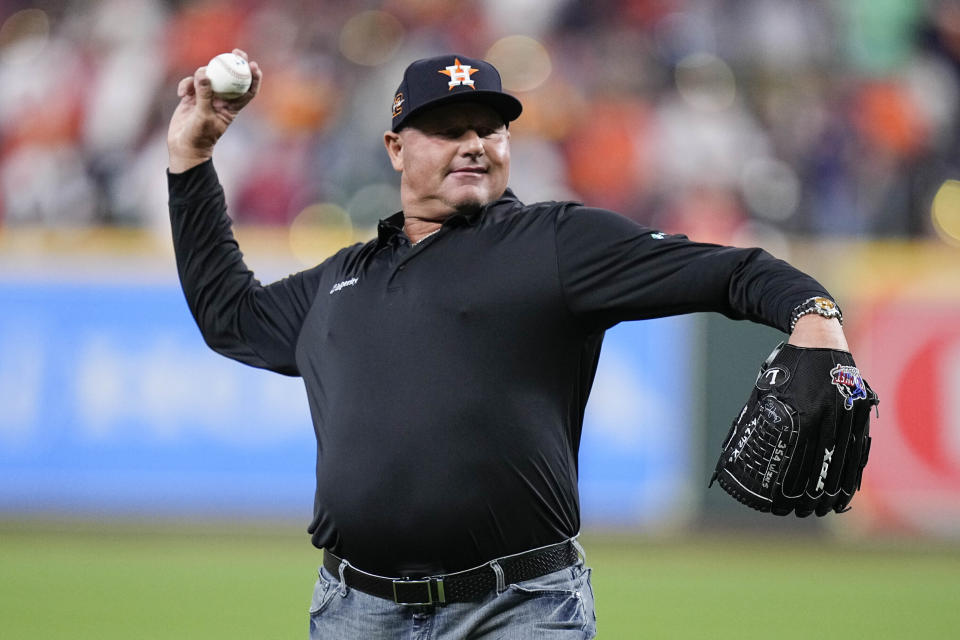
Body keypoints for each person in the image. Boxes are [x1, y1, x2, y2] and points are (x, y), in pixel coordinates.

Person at [167, 50, 850, 639]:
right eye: (445, 129)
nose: (474, 143)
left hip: (517, 608)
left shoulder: (555, 244)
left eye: (489, 128)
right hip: (354, 610)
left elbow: (732, 271)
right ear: (396, 148)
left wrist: (814, 315)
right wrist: (192, 157)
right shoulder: (341, 281)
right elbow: (231, 316)